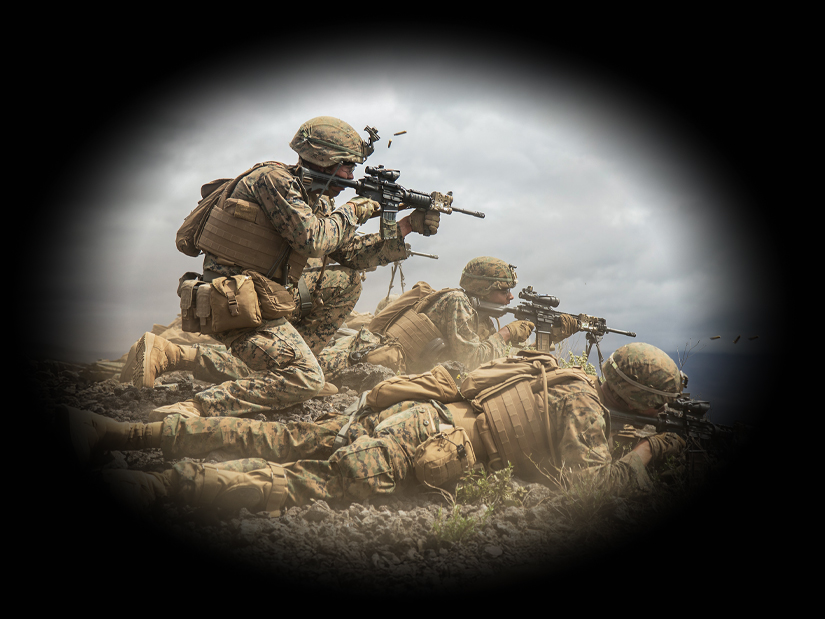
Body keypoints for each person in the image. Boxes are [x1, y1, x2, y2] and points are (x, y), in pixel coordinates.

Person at [67, 342, 687, 515]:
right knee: (312, 483)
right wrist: (650, 453)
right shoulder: (584, 408)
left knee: (280, 436)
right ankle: (155, 488)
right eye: (658, 406)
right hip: (427, 439)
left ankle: (115, 433)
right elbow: (590, 487)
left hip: (407, 411)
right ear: (639, 397)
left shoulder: (552, 372)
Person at [122, 116, 441, 421]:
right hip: (233, 302)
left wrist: (405, 227)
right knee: (304, 378)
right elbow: (314, 240)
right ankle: (196, 408)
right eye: (346, 166)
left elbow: (351, 254)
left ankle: (298, 370)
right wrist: (357, 209)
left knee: (347, 281)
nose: (348, 178)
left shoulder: (313, 199)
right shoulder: (273, 181)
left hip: (266, 297)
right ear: (323, 157)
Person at [316, 256, 580, 379]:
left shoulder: (480, 318)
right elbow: (472, 359)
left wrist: (544, 343)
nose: (510, 298)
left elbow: (496, 360)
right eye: (504, 291)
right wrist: (508, 333)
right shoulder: (457, 302)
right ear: (483, 288)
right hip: (361, 356)